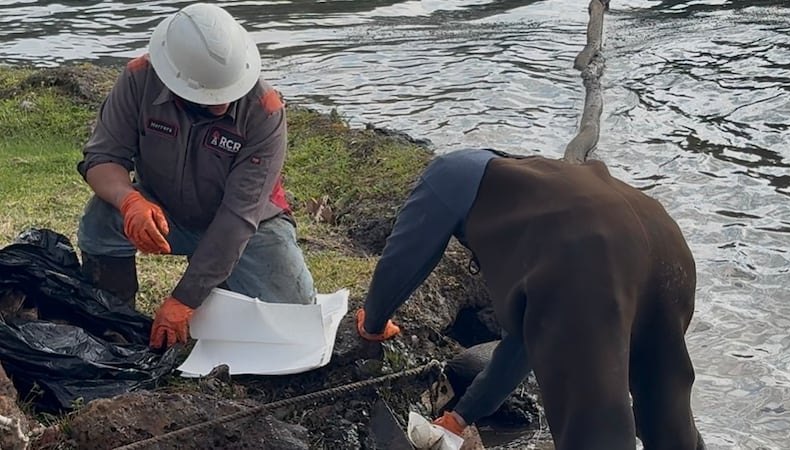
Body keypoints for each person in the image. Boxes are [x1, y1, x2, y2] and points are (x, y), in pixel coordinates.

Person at [356, 148, 705, 449]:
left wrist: (373, 322)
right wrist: (462, 417)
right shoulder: (538, 187)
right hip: (664, 242)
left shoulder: (445, 173)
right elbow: (523, 345)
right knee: (666, 403)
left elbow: (403, 258)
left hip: (590, 257)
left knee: (596, 426)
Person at [76, 3, 315, 350]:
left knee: (295, 314)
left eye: (227, 94)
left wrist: (184, 299)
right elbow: (102, 156)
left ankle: (216, 284)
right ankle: (113, 318)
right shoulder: (138, 79)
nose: (221, 105)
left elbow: (239, 215)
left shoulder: (265, 111)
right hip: (168, 213)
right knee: (102, 218)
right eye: (207, 97)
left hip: (250, 227)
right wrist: (129, 202)